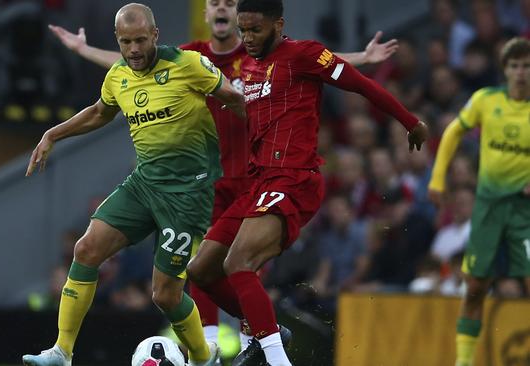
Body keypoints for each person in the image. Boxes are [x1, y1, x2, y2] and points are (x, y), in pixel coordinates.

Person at [48, 0, 398, 355]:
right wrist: (84, 49)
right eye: (214, 2)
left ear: (238, 15)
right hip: (212, 177)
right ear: (206, 14)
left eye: (229, 3)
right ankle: (213, 344)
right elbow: (135, 64)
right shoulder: (191, 56)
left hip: (255, 176)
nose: (221, 8)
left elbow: (312, 60)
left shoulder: (257, 55)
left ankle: (254, 340)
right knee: (203, 261)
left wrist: (361, 58)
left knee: (246, 263)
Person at [182, 0, 428, 364]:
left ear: (278, 25)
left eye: (255, 30)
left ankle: (276, 357)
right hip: (256, 184)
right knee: (200, 270)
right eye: (243, 30)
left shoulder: (306, 55)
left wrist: (410, 121)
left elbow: (361, 85)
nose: (247, 38)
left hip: (294, 179)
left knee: (238, 263)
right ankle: (264, 328)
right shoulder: (248, 68)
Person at [21, 3, 246, 366]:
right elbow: (99, 112)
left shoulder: (188, 65)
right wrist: (52, 134)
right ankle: (62, 352)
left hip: (188, 195)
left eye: (141, 40)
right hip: (143, 185)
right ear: (118, 40)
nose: (135, 50)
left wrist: (268, 148)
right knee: (86, 249)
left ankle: (204, 359)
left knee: (165, 295)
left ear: (155, 35)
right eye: (127, 42)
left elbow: (236, 101)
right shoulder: (118, 76)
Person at [428, 37, 530, 366]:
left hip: (523, 211)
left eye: (527, 65)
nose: (521, 72)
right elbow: (453, 132)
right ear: (505, 69)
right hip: (488, 208)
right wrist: (438, 179)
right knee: (474, 287)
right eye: (515, 66)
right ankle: (464, 362)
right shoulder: (486, 100)